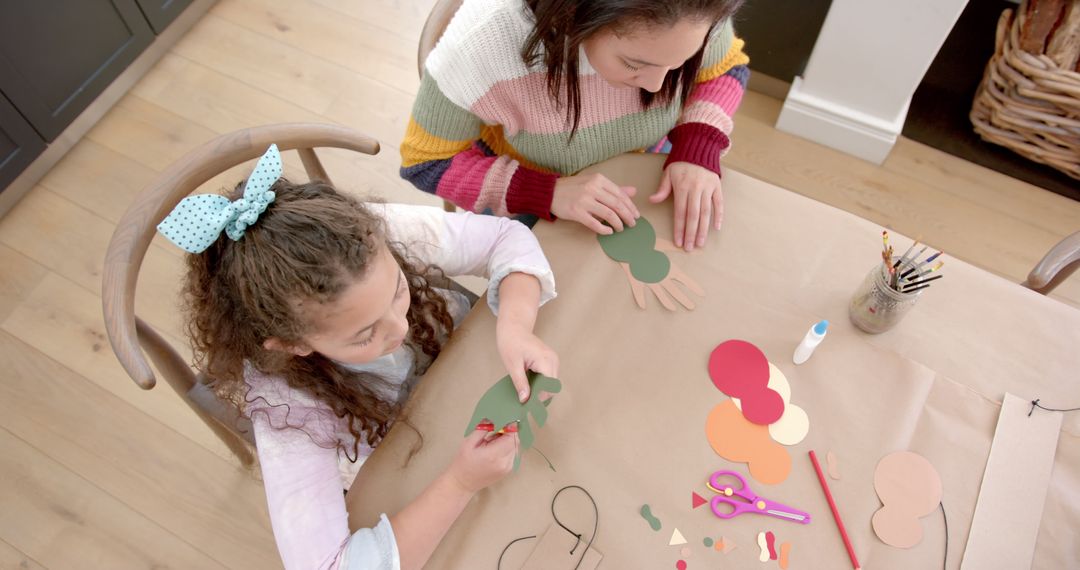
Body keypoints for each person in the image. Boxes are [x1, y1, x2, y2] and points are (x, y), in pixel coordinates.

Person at [158, 145, 558, 569]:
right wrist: (459, 484)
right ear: (294, 344)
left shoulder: (365, 241)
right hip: (410, 466)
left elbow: (504, 237)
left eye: (399, 290)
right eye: (365, 334)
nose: (400, 328)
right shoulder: (288, 410)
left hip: (469, 388)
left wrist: (515, 325)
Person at [402, 0, 748, 251]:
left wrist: (697, 144)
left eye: (680, 63)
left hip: (650, 167)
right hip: (535, 196)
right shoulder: (480, 45)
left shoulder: (696, 10)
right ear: (573, 12)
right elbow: (427, 163)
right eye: (634, 64)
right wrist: (547, 192)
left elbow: (724, 70)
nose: (658, 87)